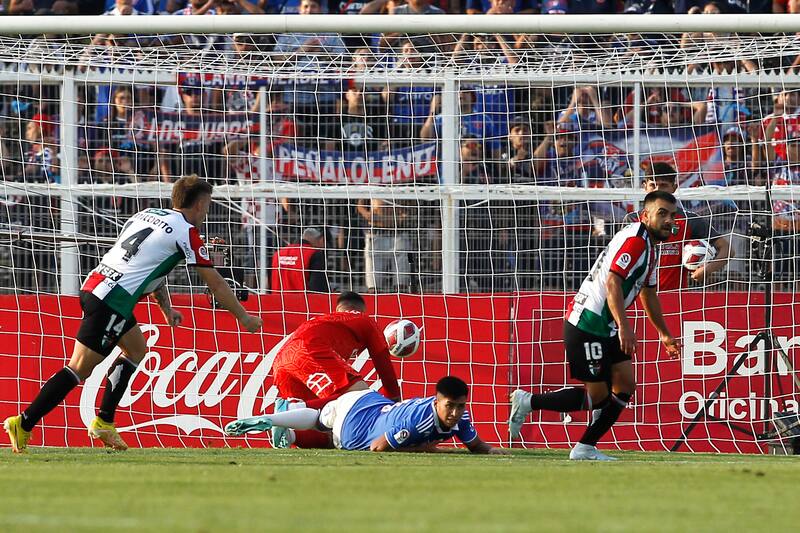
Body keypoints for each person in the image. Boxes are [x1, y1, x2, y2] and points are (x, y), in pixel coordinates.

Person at [3, 176, 263, 453]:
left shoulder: (146, 214)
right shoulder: (186, 232)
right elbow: (216, 283)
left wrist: (166, 308)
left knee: (137, 350)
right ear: (200, 204)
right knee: (79, 368)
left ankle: (104, 422)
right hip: (112, 301)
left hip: (96, 285)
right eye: (208, 205)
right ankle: (24, 422)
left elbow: (144, 264)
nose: (206, 212)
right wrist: (243, 317)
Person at [509, 190, 682, 460]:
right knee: (598, 398)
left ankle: (585, 447)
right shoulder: (636, 241)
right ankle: (528, 402)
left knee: (625, 385)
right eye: (662, 213)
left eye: (672, 215)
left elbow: (648, 294)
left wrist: (664, 335)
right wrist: (625, 327)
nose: (669, 220)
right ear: (645, 215)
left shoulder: (649, 248)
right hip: (588, 323)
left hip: (607, 325)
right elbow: (612, 281)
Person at [226, 376, 508, 454]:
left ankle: (281, 417)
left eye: (460, 406)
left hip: (368, 400)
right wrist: (428, 449)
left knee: (320, 418)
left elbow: (476, 446)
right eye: (450, 407)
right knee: (325, 428)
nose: (456, 413)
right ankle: (284, 413)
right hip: (354, 428)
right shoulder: (419, 422)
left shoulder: (461, 417)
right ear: (437, 402)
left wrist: (494, 451)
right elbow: (378, 447)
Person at [269, 291, 401, 447]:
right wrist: (392, 403)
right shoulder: (365, 321)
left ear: (338, 309)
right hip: (310, 349)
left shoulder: (325, 321)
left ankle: (288, 435)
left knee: (331, 424)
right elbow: (385, 370)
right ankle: (290, 408)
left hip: (281, 361)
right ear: (361, 310)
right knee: (358, 394)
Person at [624, 162, 732, 290]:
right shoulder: (632, 220)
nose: (657, 190)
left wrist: (707, 270)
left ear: (674, 188)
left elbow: (727, 249)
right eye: (653, 185)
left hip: (676, 300)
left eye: (663, 185)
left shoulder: (689, 220)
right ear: (645, 187)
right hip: (637, 298)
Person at [271, 227, 330, 293]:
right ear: (322, 240)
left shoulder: (278, 254)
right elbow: (318, 287)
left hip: (278, 301)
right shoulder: (313, 254)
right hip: (303, 301)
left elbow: (269, 282)